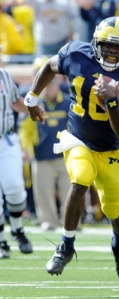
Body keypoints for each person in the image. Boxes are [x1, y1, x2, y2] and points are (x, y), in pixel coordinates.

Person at [23, 16, 119, 280]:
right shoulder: (76, 53)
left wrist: (112, 102)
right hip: (79, 139)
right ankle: (66, 246)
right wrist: (32, 97)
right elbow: (49, 65)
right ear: (96, 43)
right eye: (108, 46)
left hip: (111, 148)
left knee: (113, 209)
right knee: (80, 179)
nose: (113, 52)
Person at [19, 74, 70, 231]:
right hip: (41, 154)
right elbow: (25, 129)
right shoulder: (35, 104)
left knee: (70, 190)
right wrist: (25, 148)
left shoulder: (68, 102)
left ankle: (71, 221)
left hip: (66, 155)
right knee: (43, 191)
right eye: (47, 84)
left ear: (57, 84)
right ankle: (48, 221)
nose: (49, 86)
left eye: (52, 83)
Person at [0, 51, 33, 259]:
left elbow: (15, 102)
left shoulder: (4, 75)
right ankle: (2, 242)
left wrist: (33, 110)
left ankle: (17, 229)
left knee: (15, 188)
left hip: (6, 138)